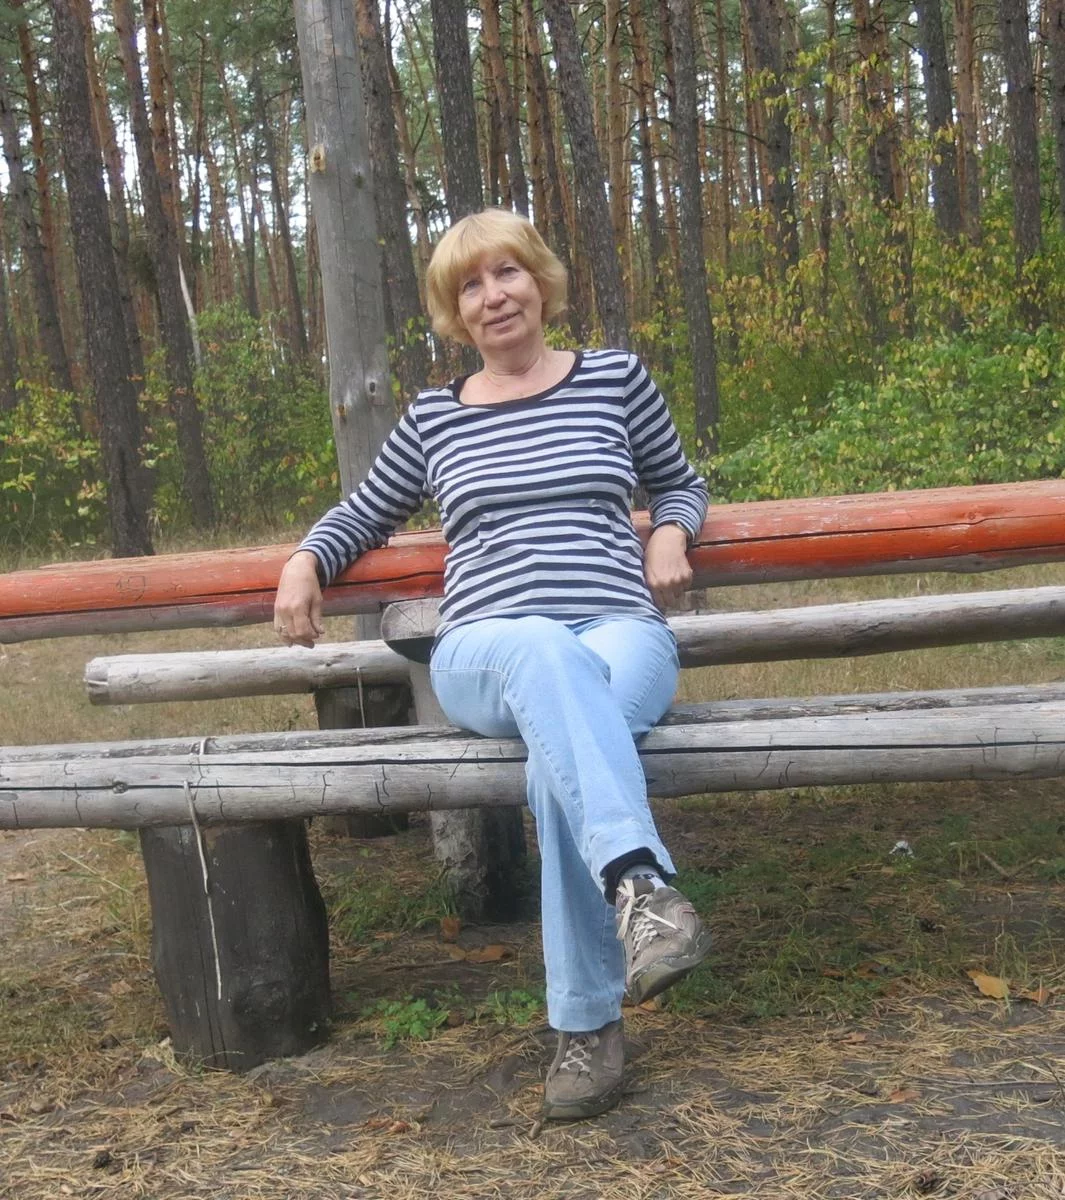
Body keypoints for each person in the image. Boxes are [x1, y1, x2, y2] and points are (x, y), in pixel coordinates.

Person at [274, 208, 712, 1120]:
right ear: (454, 312)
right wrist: (305, 561)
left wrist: (670, 531)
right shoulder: (435, 416)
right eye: (469, 285)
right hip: (487, 649)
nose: (493, 296)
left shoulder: (615, 379)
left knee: (560, 761)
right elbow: (363, 512)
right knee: (541, 649)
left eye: (506, 272)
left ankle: (586, 1026)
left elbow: (678, 480)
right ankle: (638, 883)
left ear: (539, 282)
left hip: (618, 633)